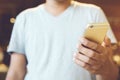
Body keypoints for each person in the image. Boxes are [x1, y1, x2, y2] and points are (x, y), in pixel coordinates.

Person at [6, 0, 119, 80]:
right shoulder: (24, 18)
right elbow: (16, 73)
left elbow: (111, 73)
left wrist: (104, 68)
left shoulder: (94, 13)